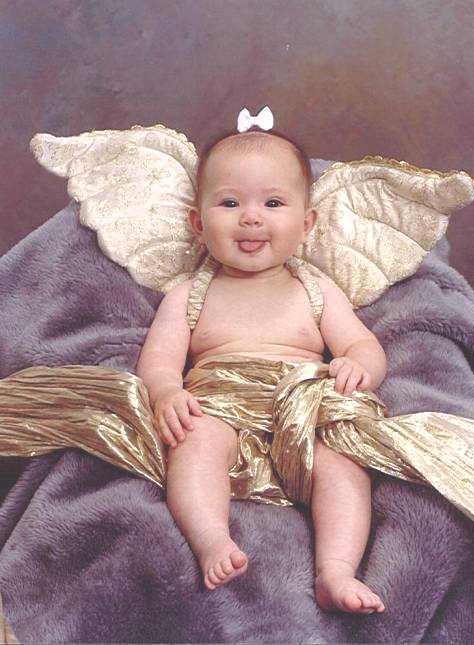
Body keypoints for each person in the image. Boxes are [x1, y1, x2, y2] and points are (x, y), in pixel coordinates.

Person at [136, 122, 387, 615]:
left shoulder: (316, 290)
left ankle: (336, 570)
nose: (251, 217)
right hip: (221, 406)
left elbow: (363, 344)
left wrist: (358, 365)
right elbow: (159, 359)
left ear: (307, 223)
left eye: (273, 203)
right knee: (193, 441)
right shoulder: (189, 294)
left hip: (305, 411)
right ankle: (212, 539)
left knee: (343, 465)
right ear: (197, 223)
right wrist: (166, 392)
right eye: (230, 203)